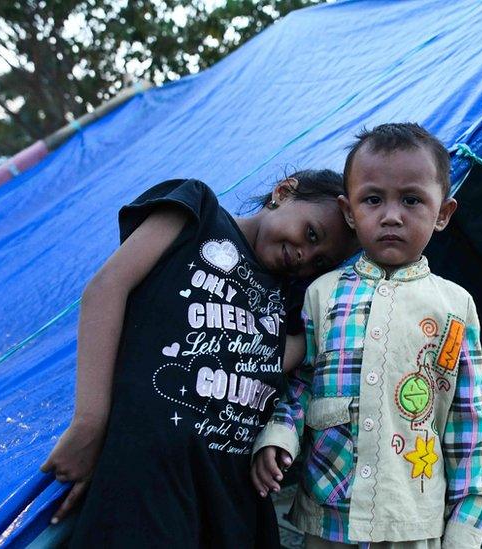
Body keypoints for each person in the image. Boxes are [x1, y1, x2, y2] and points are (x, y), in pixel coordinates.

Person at [39, 171, 358, 548]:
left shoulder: (287, 301)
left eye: (319, 263)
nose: (305, 258)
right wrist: (90, 423)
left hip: (232, 505)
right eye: (311, 234)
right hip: (147, 481)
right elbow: (107, 288)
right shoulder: (199, 212)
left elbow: (290, 355)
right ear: (284, 191)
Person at [251, 123, 482, 548]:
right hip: (330, 512)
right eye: (373, 199)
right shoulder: (322, 295)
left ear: (443, 213)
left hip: (412, 516)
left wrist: (466, 522)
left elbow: (467, 421)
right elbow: (301, 384)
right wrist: (278, 436)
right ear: (350, 212)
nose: (392, 215)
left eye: (412, 200)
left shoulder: (455, 307)